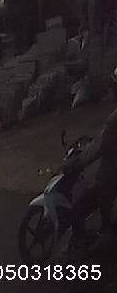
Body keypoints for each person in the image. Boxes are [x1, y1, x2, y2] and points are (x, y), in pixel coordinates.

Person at [66, 66, 117, 252]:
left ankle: (87, 244)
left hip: (110, 176)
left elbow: (98, 147)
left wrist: (76, 162)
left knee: (79, 207)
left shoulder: (114, 121)